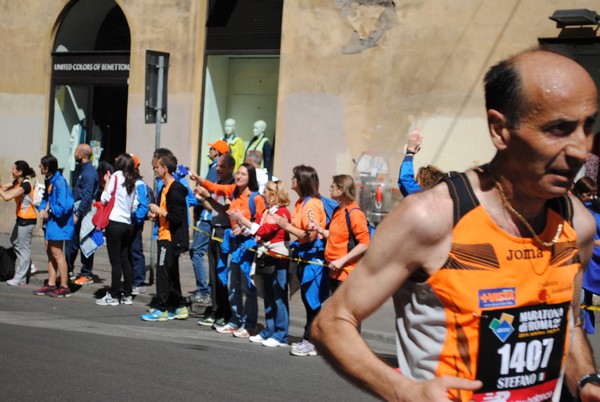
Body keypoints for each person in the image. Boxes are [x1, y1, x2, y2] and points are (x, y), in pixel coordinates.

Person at [312, 49, 600, 401]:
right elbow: (332, 323)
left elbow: (566, 322)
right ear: (499, 129)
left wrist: (585, 381)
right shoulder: (431, 219)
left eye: (588, 126)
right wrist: (405, 392)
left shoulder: (578, 224)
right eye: (559, 129)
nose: (581, 149)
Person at [193, 162, 266, 337]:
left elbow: (262, 224)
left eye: (243, 174)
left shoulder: (256, 198)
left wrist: (245, 228)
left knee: (248, 288)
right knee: (233, 285)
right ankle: (235, 320)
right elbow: (215, 188)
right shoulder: (233, 191)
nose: (239, 176)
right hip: (234, 244)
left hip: (248, 245)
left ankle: (249, 325)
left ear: (251, 178)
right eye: (238, 173)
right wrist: (199, 179)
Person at [228, 180, 292, 347]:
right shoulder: (267, 211)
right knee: (268, 295)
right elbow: (257, 231)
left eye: (266, 192)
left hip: (278, 258)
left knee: (279, 297)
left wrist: (243, 219)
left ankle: (281, 335)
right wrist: (242, 224)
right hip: (266, 256)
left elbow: (264, 231)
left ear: (273, 195)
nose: (263, 194)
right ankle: (269, 331)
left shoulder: (282, 212)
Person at [275, 165, 328, 357]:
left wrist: (286, 226)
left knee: (312, 301)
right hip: (304, 257)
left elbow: (311, 235)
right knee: (308, 300)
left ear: (302, 181)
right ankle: (311, 338)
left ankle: (311, 340)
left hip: (314, 259)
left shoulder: (311, 204)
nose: (292, 180)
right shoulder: (300, 203)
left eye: (294, 177)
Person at [140, 151, 190, 321]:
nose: (155, 169)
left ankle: (162, 309)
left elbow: (176, 218)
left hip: (169, 238)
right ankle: (180, 306)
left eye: (158, 167)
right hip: (164, 234)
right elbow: (167, 214)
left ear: (165, 169)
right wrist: (156, 215)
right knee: (171, 273)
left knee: (162, 273)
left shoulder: (175, 190)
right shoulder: (165, 188)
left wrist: (160, 211)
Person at [308, 175, 370, 292]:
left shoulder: (354, 213)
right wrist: (319, 229)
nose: (330, 189)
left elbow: (365, 243)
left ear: (341, 190)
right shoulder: (338, 210)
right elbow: (335, 236)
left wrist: (342, 260)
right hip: (334, 273)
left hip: (348, 274)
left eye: (333, 187)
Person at [195, 153, 236, 328]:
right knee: (213, 273)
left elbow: (226, 211)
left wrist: (208, 198)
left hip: (224, 231)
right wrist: (203, 199)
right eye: (217, 166)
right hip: (214, 229)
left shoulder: (232, 187)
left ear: (231, 168)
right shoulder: (218, 184)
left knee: (222, 275)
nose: (218, 169)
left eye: (222, 166)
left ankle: (224, 312)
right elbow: (213, 208)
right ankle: (215, 309)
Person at [95, 153, 137, 306]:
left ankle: (113, 295)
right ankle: (127, 294)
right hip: (127, 223)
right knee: (125, 260)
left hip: (115, 222)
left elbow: (104, 198)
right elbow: (134, 205)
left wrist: (106, 182)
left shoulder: (116, 176)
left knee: (115, 262)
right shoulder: (133, 179)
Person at [189, 140, 226, 305]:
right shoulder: (219, 170)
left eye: (211, 149)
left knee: (197, 251)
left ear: (217, 153)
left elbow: (206, 193)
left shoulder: (214, 168)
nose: (209, 151)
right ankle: (210, 289)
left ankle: (203, 291)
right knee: (211, 255)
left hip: (206, 218)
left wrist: (198, 196)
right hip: (213, 217)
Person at [33, 154, 75, 298]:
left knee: (57, 253)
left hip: (59, 223)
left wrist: (49, 212)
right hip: (52, 222)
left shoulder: (59, 182)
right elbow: (45, 198)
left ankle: (64, 286)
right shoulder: (50, 179)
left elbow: (63, 206)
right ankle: (51, 283)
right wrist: (42, 209)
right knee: (50, 251)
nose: (40, 167)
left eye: (41, 165)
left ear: (47, 167)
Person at [0, 161, 37, 286]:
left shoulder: (25, 185)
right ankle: (27, 264)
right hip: (21, 218)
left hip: (28, 219)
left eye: (13, 169)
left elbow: (6, 196)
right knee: (14, 240)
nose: (11, 170)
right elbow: (4, 188)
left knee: (24, 248)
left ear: (20, 172)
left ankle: (20, 277)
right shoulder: (17, 181)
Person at [67, 143, 99, 285]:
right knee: (72, 243)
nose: (74, 153)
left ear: (81, 155)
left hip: (84, 213)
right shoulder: (82, 170)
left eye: (75, 151)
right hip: (79, 211)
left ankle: (87, 274)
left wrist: (78, 214)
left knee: (86, 242)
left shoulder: (89, 172)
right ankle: (68, 271)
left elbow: (87, 196)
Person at [573, 176, 600, 334]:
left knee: (584, 301)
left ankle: (585, 331)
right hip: (576, 264)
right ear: (578, 192)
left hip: (591, 263)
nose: (591, 198)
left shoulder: (594, 211)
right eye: (588, 194)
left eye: (593, 194)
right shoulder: (569, 208)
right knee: (581, 301)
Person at [398, 127, 444, 196]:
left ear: (421, 183)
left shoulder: (422, 196)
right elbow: (403, 182)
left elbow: (405, 178)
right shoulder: (441, 198)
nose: (415, 182)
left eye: (416, 181)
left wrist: (410, 151)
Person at [130, 154, 150, 295]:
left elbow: (143, 205)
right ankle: (132, 280)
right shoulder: (128, 182)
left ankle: (139, 282)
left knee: (136, 251)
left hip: (134, 222)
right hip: (129, 221)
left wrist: (136, 220)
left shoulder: (139, 184)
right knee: (129, 252)